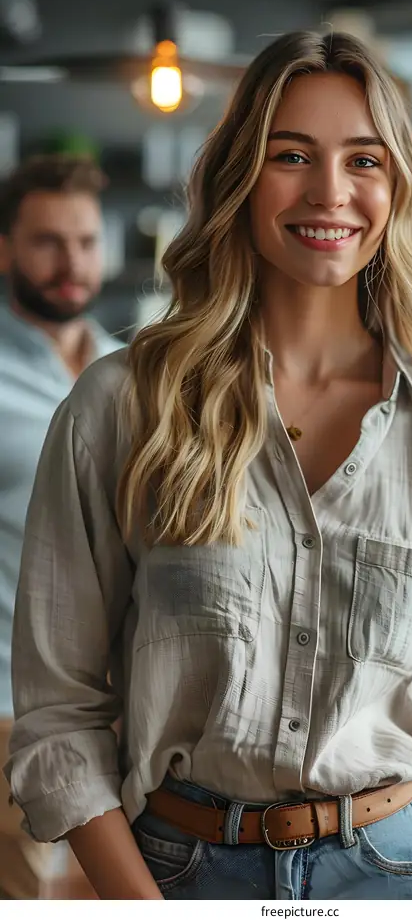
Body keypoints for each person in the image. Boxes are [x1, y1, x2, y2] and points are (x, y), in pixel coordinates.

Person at [6, 32, 412, 902]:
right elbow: (59, 714)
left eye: (364, 159)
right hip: (183, 872)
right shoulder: (122, 406)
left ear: (395, 188)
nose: (330, 191)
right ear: (240, 178)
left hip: (399, 869)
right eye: (291, 155)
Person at [0, 154, 124, 899]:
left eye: (83, 240)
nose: (70, 262)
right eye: (47, 241)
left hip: (125, 711)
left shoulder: (133, 370)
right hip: (7, 707)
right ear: (5, 248)